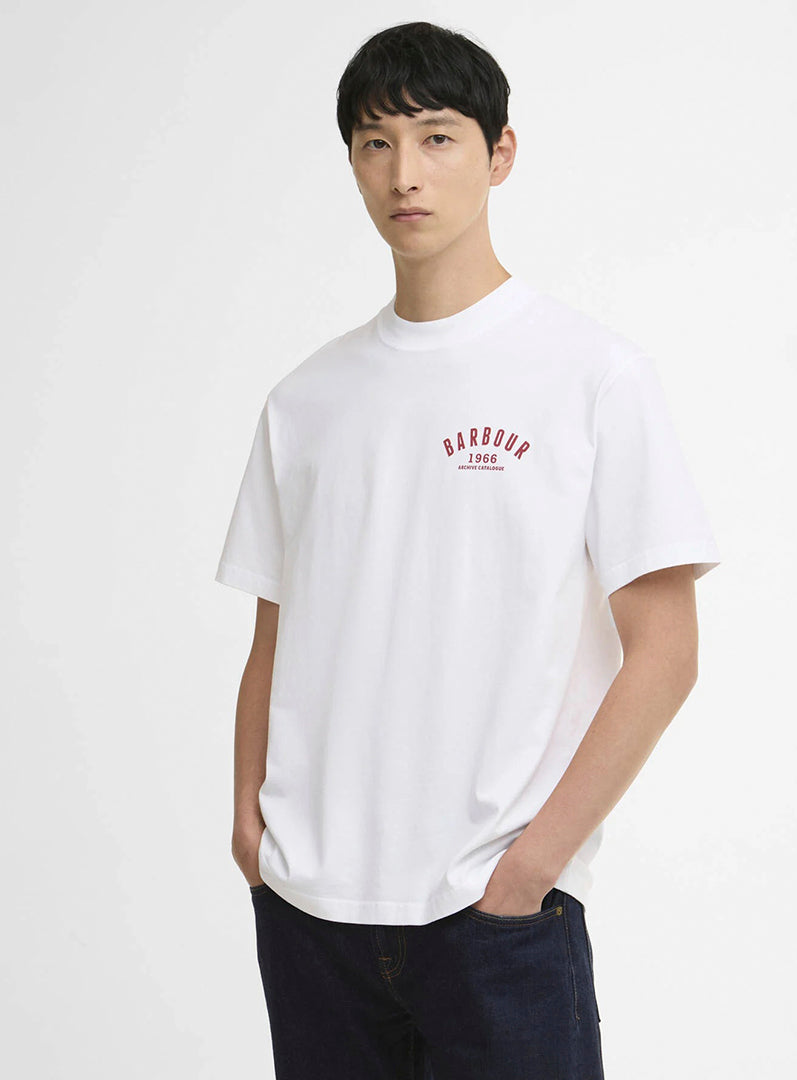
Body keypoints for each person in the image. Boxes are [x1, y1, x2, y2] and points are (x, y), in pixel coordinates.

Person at [214, 20, 721, 1080]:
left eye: (437, 137)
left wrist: (533, 868)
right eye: (375, 143)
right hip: (310, 911)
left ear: (500, 154)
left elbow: (666, 651)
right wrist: (253, 831)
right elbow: (275, 635)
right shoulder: (305, 401)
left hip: (496, 915)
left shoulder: (592, 377)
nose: (405, 172)